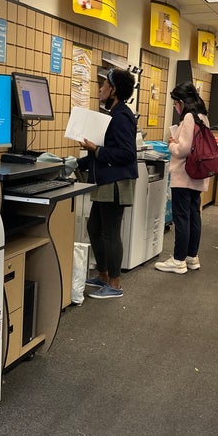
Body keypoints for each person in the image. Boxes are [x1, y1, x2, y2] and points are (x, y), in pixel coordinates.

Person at [77, 67, 138, 299]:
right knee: (94, 228)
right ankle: (102, 275)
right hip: (106, 180)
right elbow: (105, 150)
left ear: (113, 90)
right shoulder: (113, 114)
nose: (100, 89)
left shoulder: (121, 115)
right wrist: (79, 163)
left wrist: (96, 150)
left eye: (104, 85)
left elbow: (127, 153)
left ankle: (115, 283)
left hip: (115, 183)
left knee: (110, 233)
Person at [155, 81, 211, 274]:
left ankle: (178, 260)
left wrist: (172, 144)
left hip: (184, 174)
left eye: (175, 103)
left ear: (181, 101)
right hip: (198, 175)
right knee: (194, 215)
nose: (175, 107)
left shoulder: (188, 117)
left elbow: (184, 149)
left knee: (182, 217)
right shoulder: (202, 116)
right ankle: (191, 257)